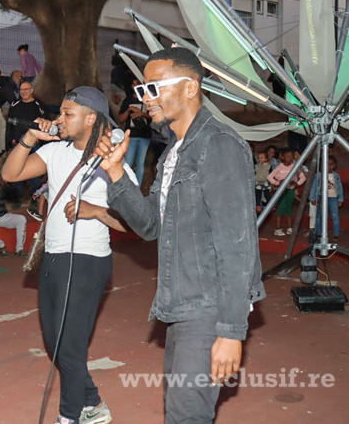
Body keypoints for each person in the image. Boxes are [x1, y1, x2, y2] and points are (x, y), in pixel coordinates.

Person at [96, 47, 266, 424]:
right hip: (180, 307)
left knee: (186, 416)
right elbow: (149, 225)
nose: (146, 100)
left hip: (208, 310)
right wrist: (116, 173)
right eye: (143, 90)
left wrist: (231, 331)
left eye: (155, 88)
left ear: (191, 88)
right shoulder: (174, 151)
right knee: (181, 414)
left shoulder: (218, 145)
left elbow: (237, 244)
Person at [2, 85, 134, 424]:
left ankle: (69, 417)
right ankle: (92, 403)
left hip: (88, 260)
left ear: (90, 119)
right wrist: (31, 137)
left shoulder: (111, 160)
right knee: (55, 342)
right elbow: (10, 174)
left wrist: (96, 211)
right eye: (59, 113)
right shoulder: (56, 152)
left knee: (69, 346)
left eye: (67, 114)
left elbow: (136, 224)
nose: (58, 119)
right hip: (55, 256)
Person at [267, 148, 306, 236]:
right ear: (282, 157)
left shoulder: (294, 167)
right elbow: (269, 177)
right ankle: (278, 228)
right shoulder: (279, 167)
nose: (290, 158)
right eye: (288, 156)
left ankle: (289, 227)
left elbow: (302, 177)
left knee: (289, 208)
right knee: (280, 207)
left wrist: (297, 183)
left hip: (291, 190)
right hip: (281, 190)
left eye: (291, 156)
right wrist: (278, 183)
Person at [119, 89, 152, 186]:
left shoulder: (148, 99)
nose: (136, 86)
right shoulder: (128, 100)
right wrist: (130, 110)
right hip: (131, 135)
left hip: (145, 135)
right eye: (134, 84)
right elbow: (120, 119)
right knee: (128, 162)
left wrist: (141, 114)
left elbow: (154, 117)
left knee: (140, 162)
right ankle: (127, 186)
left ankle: (138, 186)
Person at [309, 155, 343, 242]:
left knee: (335, 215)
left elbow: (339, 187)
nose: (328, 166)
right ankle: (319, 233)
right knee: (319, 215)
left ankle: (336, 233)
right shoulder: (319, 175)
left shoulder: (336, 176)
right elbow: (314, 187)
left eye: (331, 164)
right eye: (326, 164)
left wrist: (340, 199)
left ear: (334, 165)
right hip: (322, 197)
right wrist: (312, 197)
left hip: (333, 198)